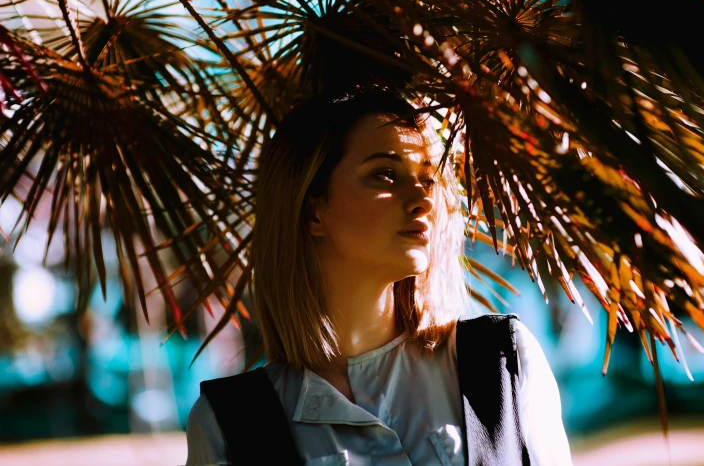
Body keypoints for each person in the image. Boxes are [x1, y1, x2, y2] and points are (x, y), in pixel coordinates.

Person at [184, 89, 572, 465]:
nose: (422, 199)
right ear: (313, 210)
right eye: (385, 174)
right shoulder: (227, 424)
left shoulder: (503, 360)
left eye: (428, 178)